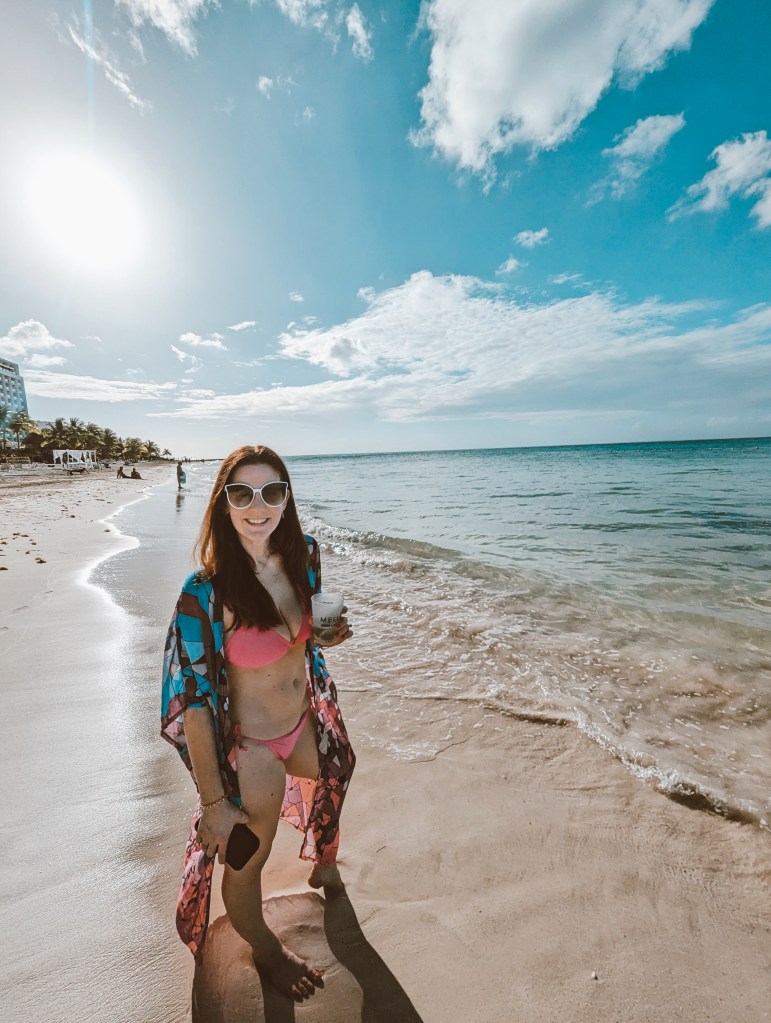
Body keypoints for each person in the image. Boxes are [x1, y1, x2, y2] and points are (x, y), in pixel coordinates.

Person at [161, 445, 355, 1002]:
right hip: (254, 749)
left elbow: (309, 637)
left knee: (336, 774)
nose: (258, 505)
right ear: (224, 504)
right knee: (247, 858)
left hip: (305, 716)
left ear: (287, 498)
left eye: (272, 491)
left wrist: (327, 636)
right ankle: (267, 951)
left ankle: (322, 863)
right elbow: (194, 702)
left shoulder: (305, 555)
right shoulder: (205, 591)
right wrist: (215, 803)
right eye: (242, 493)